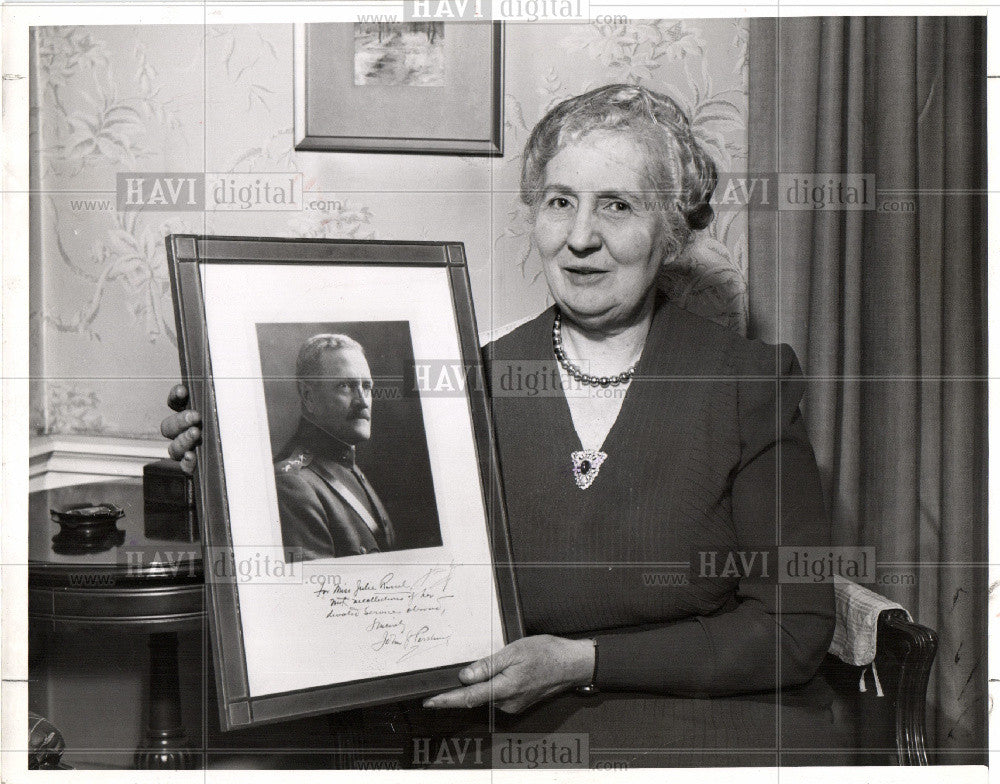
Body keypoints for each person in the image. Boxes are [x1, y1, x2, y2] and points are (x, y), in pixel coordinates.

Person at [162, 83, 849, 767]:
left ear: (668, 232)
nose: (580, 238)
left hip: (716, 731)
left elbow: (792, 629)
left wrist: (581, 660)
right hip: (525, 736)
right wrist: (236, 473)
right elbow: (371, 574)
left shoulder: (744, 381)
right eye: (559, 202)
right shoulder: (471, 383)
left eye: (617, 205)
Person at [274, 333, 395, 561]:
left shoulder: (348, 468)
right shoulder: (292, 484)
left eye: (367, 386)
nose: (362, 401)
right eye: (345, 386)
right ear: (308, 396)